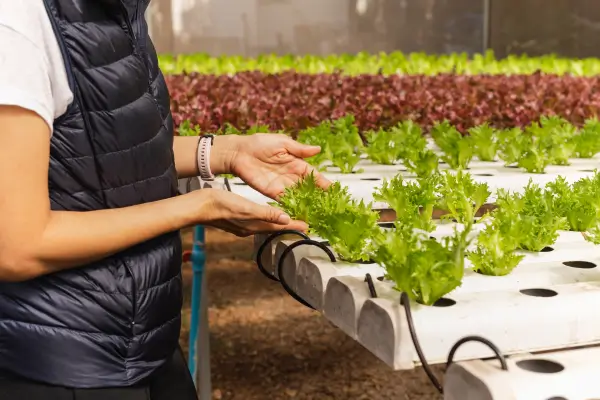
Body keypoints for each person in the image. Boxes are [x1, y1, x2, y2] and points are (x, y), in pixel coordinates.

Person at [0, 0, 329, 398]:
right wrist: (198, 207)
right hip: (64, 364)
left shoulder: (117, 11)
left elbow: (98, 159)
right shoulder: (17, 22)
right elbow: (18, 245)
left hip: (141, 343)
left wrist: (227, 153)